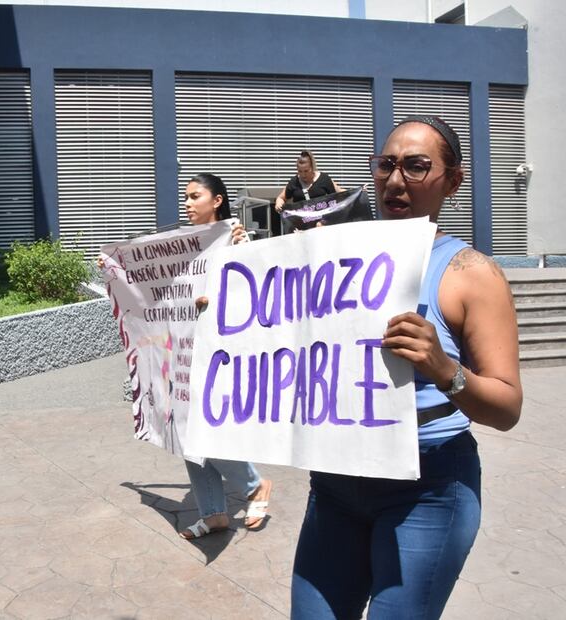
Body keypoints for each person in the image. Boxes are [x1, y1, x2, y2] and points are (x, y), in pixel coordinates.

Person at [290, 116, 523, 618]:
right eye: (387, 165)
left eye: (417, 167)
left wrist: (444, 368)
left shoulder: (472, 275)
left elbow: (506, 407)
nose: (396, 181)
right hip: (335, 483)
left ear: (453, 180)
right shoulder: (335, 259)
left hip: (429, 488)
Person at [179, 173, 273, 540]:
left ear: (217, 201)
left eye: (194, 196)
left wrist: (214, 299)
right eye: (185, 197)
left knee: (199, 430)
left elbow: (250, 288)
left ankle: (253, 484)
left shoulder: (235, 239)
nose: (187, 203)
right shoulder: (183, 243)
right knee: (184, 431)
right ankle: (215, 513)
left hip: (222, 350)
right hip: (186, 346)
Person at [274, 150, 344, 233]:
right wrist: (278, 203)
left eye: (306, 171)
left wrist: (359, 192)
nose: (303, 175)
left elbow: (339, 196)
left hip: (322, 227)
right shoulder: (294, 182)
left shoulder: (324, 179)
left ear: (312, 168)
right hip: (301, 229)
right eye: (300, 171)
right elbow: (281, 198)